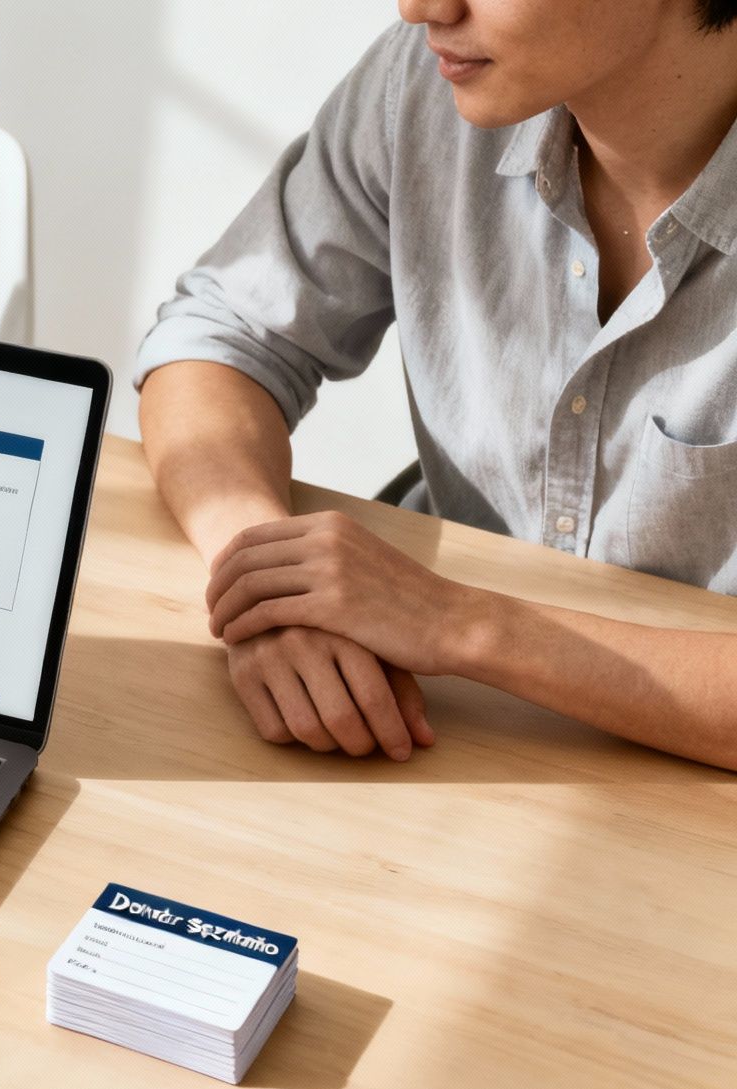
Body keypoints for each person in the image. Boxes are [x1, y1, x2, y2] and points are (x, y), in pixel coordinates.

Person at [135, 0, 737, 771]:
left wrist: (466, 626)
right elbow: (222, 337)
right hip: (422, 725)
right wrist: (268, 578)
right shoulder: (426, 85)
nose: (421, 7)